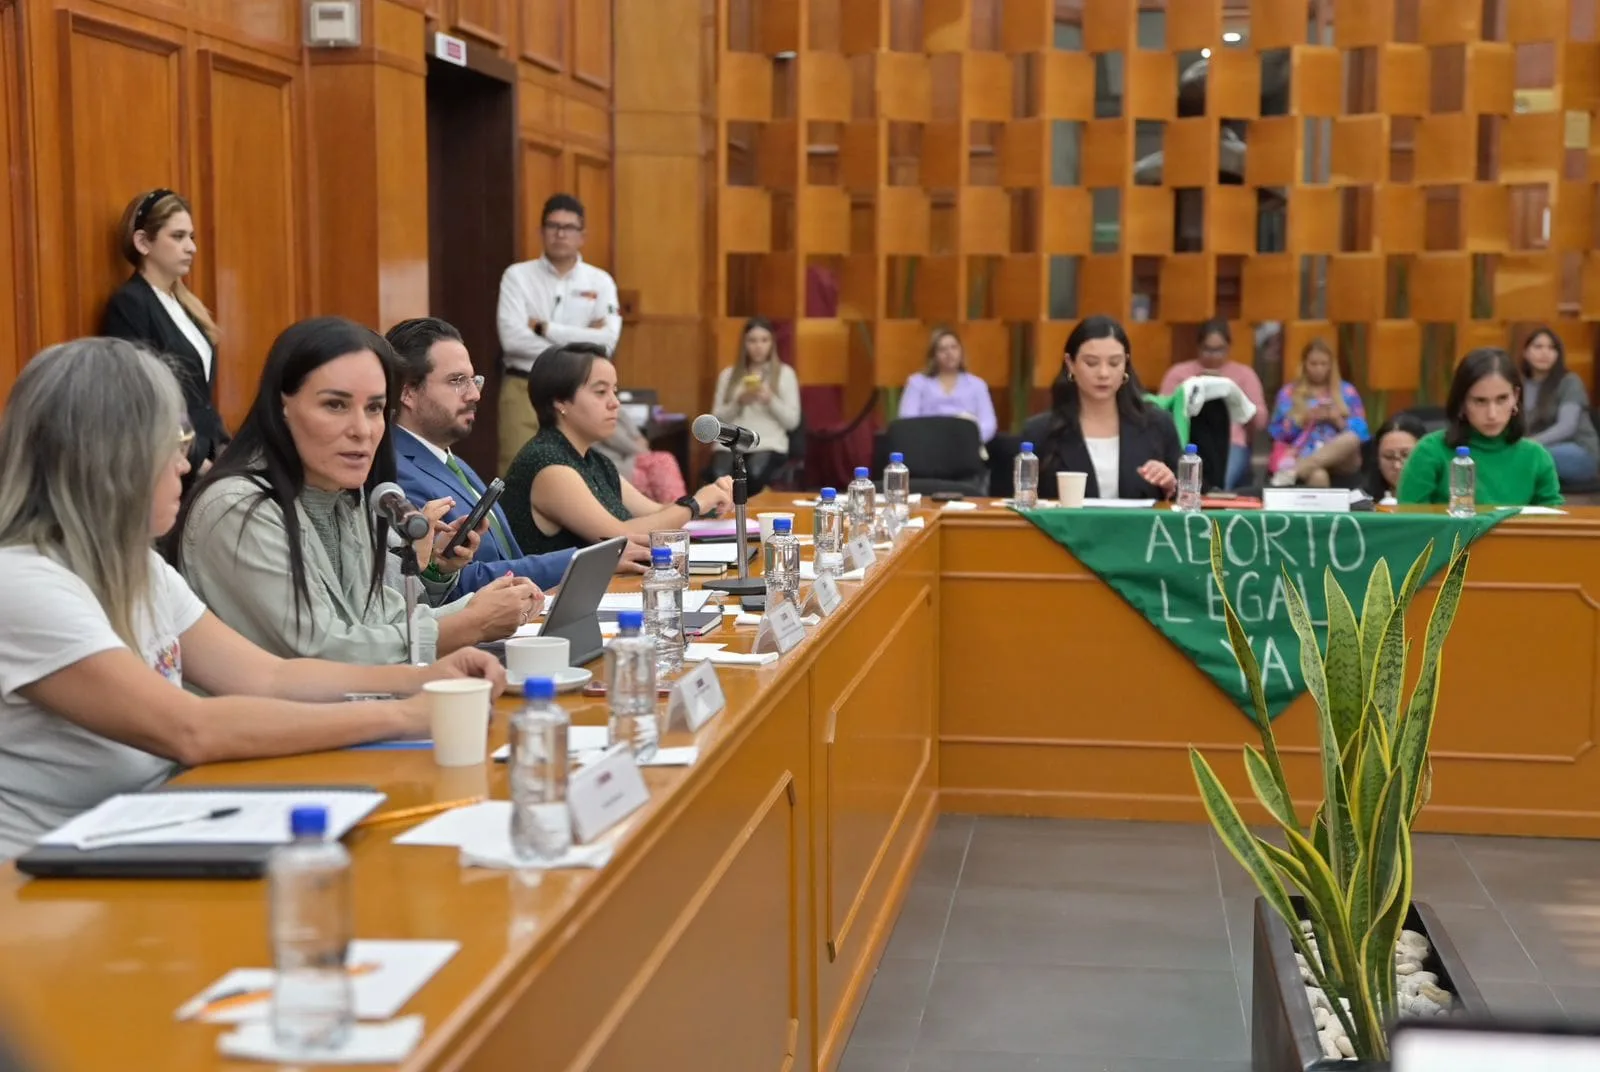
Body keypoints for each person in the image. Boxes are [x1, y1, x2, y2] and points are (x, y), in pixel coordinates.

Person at [0, 338, 505, 859]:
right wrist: (407, 716)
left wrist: (423, 679)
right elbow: (189, 729)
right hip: (42, 875)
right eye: (170, 443)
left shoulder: (139, 567)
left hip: (149, 826)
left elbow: (271, 677)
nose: (184, 464)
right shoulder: (23, 584)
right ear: (106, 458)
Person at [176, 317, 542, 665]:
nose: (362, 430)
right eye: (335, 405)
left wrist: (484, 607)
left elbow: (384, 620)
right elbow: (322, 653)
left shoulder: (348, 497)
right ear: (281, 407)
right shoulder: (235, 508)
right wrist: (471, 622)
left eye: (374, 408)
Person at [387, 316, 644, 590]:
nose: (474, 394)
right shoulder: (395, 472)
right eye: (457, 381)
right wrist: (584, 561)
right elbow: (455, 582)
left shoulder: (453, 462)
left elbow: (507, 560)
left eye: (474, 380)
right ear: (408, 393)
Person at [504, 342, 735, 556]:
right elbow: (619, 538)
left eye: (614, 390)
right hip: (551, 588)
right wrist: (694, 505)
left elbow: (655, 512)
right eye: (600, 392)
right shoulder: (549, 465)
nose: (615, 403)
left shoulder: (595, 460)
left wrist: (709, 503)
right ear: (560, 402)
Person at [100, 189, 228, 479]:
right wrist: (195, 460)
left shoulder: (186, 306)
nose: (191, 247)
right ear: (143, 242)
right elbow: (143, 397)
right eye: (178, 236)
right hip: (174, 465)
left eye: (191, 237)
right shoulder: (130, 304)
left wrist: (223, 450)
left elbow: (200, 398)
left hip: (207, 455)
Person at [495, 193, 622, 474]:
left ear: (582, 236)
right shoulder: (517, 276)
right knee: (517, 472)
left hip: (580, 392)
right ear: (541, 232)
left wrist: (545, 329)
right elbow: (513, 340)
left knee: (577, 473)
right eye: (553, 226)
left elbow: (607, 343)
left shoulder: (600, 281)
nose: (560, 234)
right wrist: (584, 338)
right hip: (523, 386)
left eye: (569, 227)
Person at [1022, 315, 1181, 501]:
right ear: (1070, 364)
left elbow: (1187, 497)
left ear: (1125, 364)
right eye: (1091, 363)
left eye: (1114, 363)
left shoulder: (1158, 424)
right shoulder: (1041, 432)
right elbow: (1020, 501)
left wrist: (1170, 486)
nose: (1103, 373)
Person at [1398, 348, 1562, 508]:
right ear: (1462, 403)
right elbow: (1410, 520)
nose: (1492, 414)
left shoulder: (1536, 457)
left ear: (1516, 396)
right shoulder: (1430, 451)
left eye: (1501, 399)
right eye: (1480, 401)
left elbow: (1555, 520)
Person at [1159, 319, 1268, 489]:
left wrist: (1233, 394)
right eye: (1207, 349)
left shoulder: (1244, 374)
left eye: (1219, 350)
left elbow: (1260, 419)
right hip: (1185, 441)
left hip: (1232, 442)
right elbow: (1161, 411)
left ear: (1229, 347)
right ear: (1198, 347)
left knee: (1222, 481)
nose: (1213, 355)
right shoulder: (1178, 373)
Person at [702, 317, 801, 494]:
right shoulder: (728, 375)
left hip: (768, 442)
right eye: (752, 341)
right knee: (719, 475)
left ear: (772, 343)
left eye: (764, 340)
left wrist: (770, 400)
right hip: (731, 443)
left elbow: (792, 422)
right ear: (744, 344)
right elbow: (715, 420)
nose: (758, 346)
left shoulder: (785, 374)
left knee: (754, 474)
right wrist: (738, 402)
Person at [1266, 339, 1370, 487]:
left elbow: (1363, 434)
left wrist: (1338, 420)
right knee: (1318, 476)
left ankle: (1293, 472)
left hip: (1342, 457)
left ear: (1331, 365)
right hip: (1304, 451)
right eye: (1313, 364)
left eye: (1324, 364)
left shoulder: (1347, 391)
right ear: (1304, 364)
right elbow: (1276, 433)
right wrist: (1303, 419)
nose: (1319, 369)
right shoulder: (1289, 392)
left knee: (1351, 438)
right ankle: (1301, 471)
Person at [1518, 326, 1599, 486]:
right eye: (1538, 347)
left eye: (1551, 348)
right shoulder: (1519, 384)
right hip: (1537, 448)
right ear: (1526, 352)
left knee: (1526, 457)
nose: (1545, 353)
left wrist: (1528, 444)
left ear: (1558, 354)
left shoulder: (1570, 381)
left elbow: (1566, 427)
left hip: (1580, 451)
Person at [896, 329, 998, 443]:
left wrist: (968, 439)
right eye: (942, 349)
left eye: (954, 347)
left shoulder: (977, 385)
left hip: (965, 444)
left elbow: (989, 424)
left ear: (961, 351)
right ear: (933, 355)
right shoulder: (917, 383)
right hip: (928, 444)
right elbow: (907, 420)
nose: (949, 353)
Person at [593, 403, 688, 504]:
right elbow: (625, 443)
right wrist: (640, 445)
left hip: (630, 458)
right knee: (662, 461)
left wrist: (637, 438)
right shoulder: (596, 413)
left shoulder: (616, 408)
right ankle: (678, 508)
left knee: (661, 466)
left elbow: (637, 436)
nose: (614, 400)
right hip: (612, 464)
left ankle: (677, 508)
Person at [1360, 413, 1427, 504]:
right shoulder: (1360, 501)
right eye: (1389, 457)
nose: (1397, 466)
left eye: (1406, 455)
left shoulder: (1443, 498)